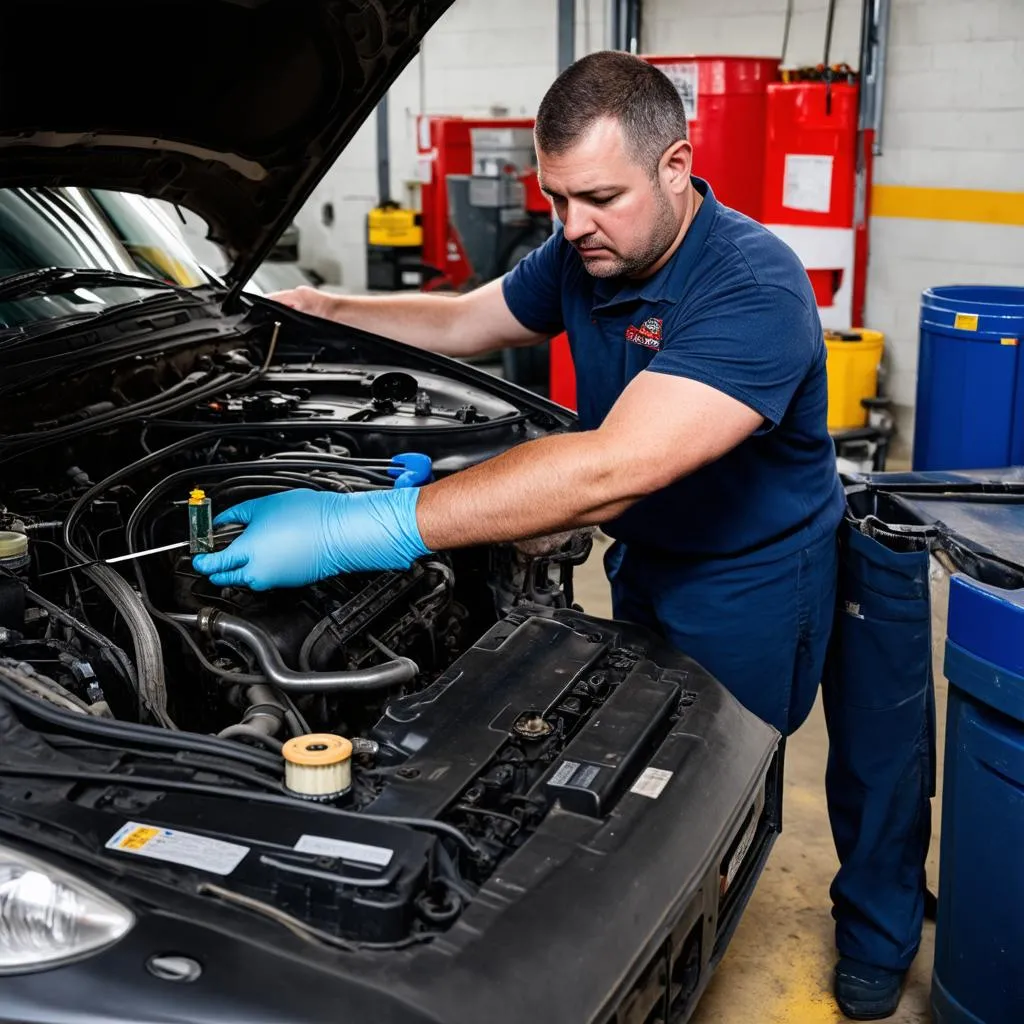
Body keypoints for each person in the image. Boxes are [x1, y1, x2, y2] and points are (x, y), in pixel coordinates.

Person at [192, 51, 894, 1018]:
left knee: (713, 788)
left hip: (754, 578)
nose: (573, 226)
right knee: (634, 763)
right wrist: (322, 313)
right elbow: (471, 318)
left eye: (600, 197)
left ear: (679, 167)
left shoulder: (750, 285)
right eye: (557, 198)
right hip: (648, 558)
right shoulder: (584, 251)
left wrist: (368, 526)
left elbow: (609, 471)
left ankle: (855, 932)